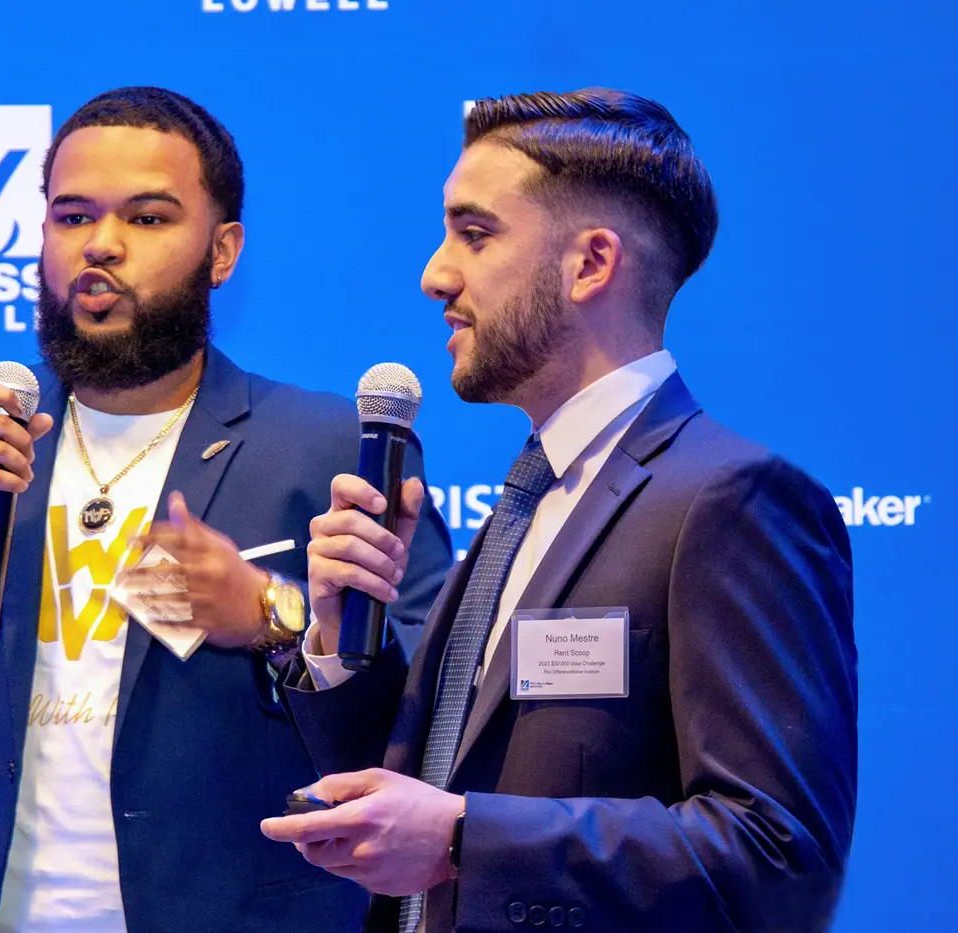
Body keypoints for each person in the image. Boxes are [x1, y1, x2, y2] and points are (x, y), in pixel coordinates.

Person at [0, 86, 452, 933]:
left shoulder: (326, 446)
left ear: (222, 251)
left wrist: (272, 615)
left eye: (146, 219)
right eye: (71, 217)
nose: (100, 246)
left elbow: (428, 738)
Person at [251, 89, 858, 932]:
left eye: (476, 232)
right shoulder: (528, 501)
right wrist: (339, 642)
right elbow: (421, 796)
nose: (436, 274)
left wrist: (466, 836)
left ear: (590, 264)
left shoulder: (731, 499)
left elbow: (778, 855)